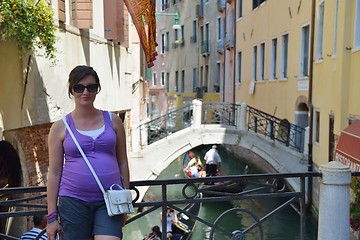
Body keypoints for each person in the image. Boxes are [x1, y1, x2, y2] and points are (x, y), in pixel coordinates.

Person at [46, 65, 130, 240]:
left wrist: (125, 200)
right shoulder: (60, 127)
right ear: (71, 90)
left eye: (91, 87)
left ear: (97, 90)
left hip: (110, 200)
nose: (85, 92)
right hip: (73, 200)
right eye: (79, 87)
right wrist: (52, 217)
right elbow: (54, 173)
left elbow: (123, 162)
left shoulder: (113, 121)